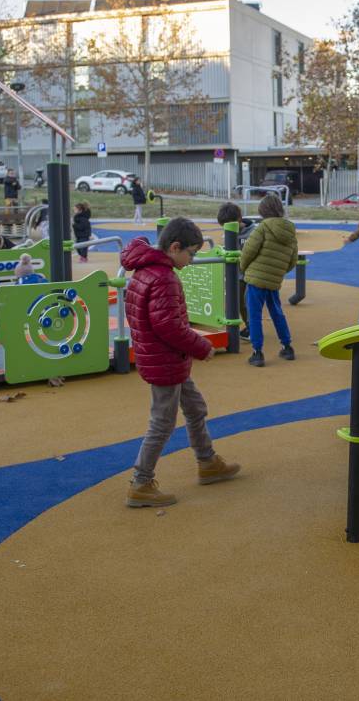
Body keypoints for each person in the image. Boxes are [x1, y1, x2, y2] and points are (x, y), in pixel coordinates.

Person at [119, 217, 241, 508]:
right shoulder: (164, 277)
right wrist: (201, 346)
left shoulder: (145, 270)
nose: (192, 259)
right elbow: (169, 326)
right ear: (175, 247)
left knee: (195, 407)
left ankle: (207, 461)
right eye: (191, 253)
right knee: (162, 422)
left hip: (166, 358)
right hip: (165, 360)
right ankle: (141, 482)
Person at [240, 194, 298, 367]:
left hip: (256, 279)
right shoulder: (290, 231)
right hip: (273, 280)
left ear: (263, 211)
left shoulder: (262, 228)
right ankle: (287, 347)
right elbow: (292, 260)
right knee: (277, 312)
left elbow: (248, 251)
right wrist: (277, 272)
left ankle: (257, 352)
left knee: (254, 315)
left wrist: (244, 267)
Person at [216, 201, 257, 335]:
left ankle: (253, 327)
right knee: (239, 302)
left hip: (252, 273)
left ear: (239, 219)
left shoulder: (254, 232)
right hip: (237, 274)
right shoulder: (227, 234)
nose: (227, 229)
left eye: (229, 225)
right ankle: (249, 326)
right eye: (224, 226)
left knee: (249, 302)